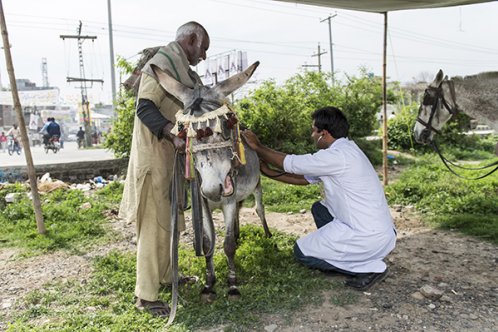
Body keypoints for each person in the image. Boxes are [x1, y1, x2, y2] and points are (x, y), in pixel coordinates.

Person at [242, 106, 396, 291]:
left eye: (314, 131)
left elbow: (293, 164)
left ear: (324, 133)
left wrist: (258, 147)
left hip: (367, 236)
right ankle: (345, 253)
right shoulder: (348, 149)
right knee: (319, 208)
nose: (312, 135)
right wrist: (267, 171)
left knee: (301, 252)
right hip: (380, 232)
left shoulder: (337, 156)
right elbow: (302, 178)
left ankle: (369, 268)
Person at [119, 21, 209, 318]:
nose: (204, 56)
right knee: (154, 227)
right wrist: (172, 132)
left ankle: (169, 277)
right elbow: (144, 108)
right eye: (203, 48)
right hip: (153, 157)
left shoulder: (183, 70)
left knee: (170, 222)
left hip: (169, 158)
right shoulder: (160, 64)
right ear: (192, 39)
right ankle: (145, 296)